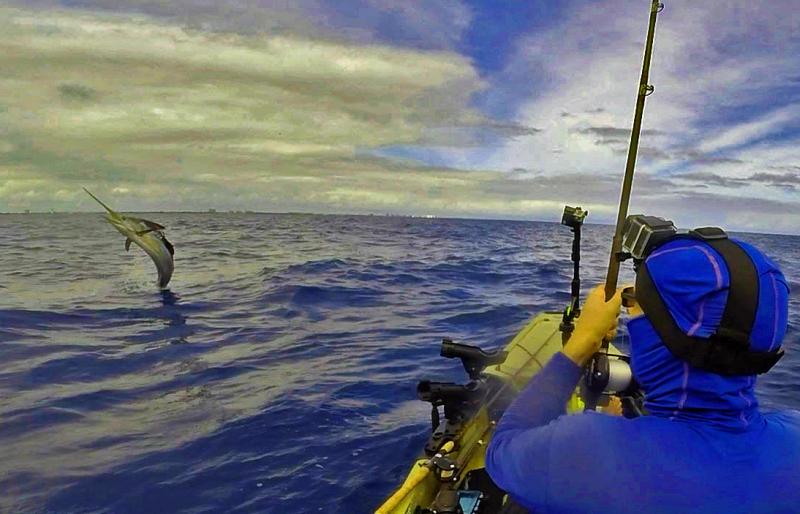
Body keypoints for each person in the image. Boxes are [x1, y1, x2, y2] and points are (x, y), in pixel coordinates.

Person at [485, 236, 800, 514]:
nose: (629, 315)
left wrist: (580, 345)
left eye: (634, 303)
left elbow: (503, 448)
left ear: (666, 334)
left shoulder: (586, 450)